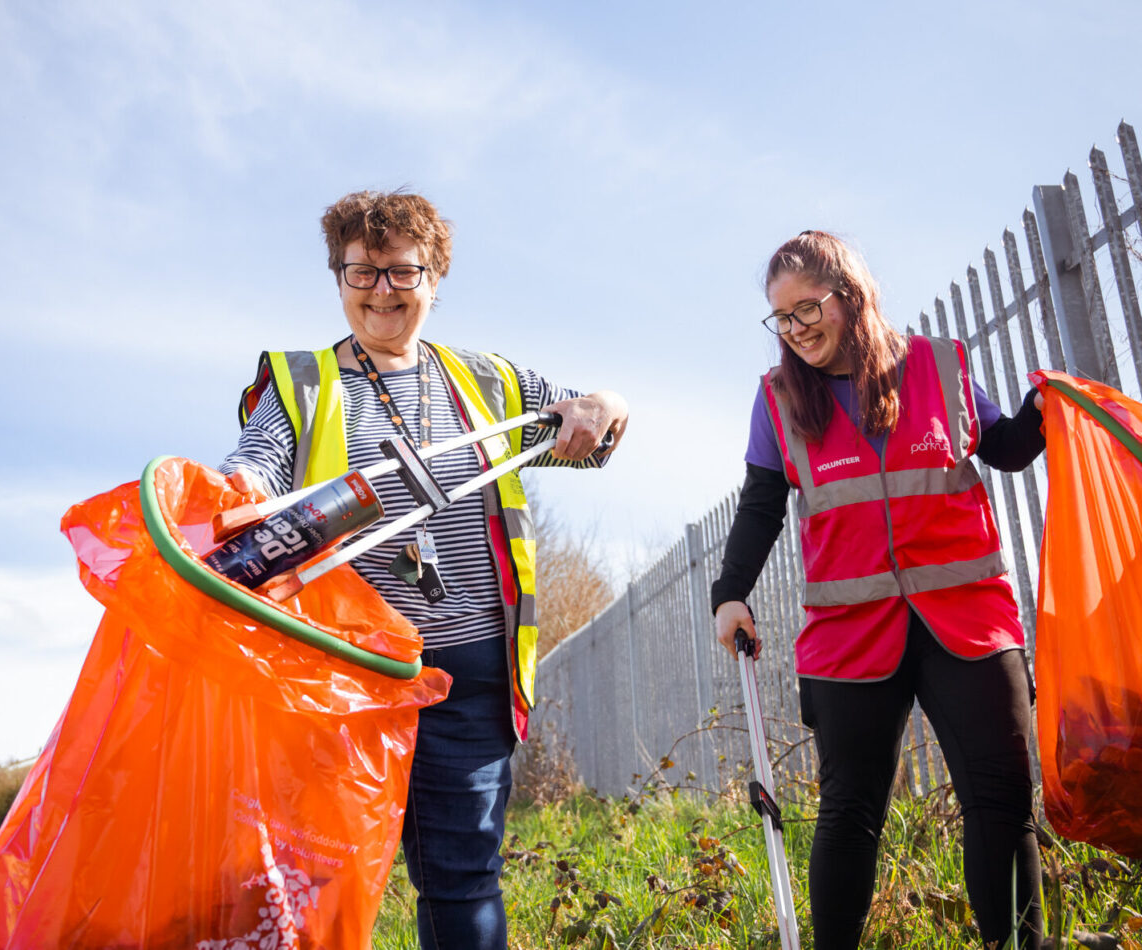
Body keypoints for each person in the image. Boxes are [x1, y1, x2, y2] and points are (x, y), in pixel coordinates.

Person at [220, 190, 628, 949]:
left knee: (462, 876)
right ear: (339, 279)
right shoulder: (301, 382)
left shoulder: (488, 381)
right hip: (343, 678)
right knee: (312, 879)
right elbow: (253, 468)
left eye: (402, 272)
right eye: (362, 272)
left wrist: (604, 403)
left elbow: (593, 431)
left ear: (434, 279)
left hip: (468, 677)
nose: (382, 290)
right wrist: (232, 493)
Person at [711, 230, 1046, 949]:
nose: (796, 329)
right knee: (850, 812)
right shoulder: (778, 400)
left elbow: (1009, 447)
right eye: (782, 318)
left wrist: (1048, 407)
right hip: (850, 634)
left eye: (808, 309)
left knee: (1001, 798)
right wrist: (729, 592)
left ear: (852, 295)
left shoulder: (940, 366)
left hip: (968, 619)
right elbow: (762, 504)